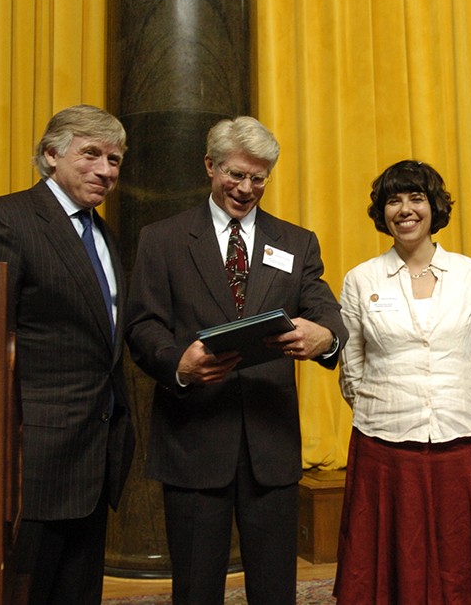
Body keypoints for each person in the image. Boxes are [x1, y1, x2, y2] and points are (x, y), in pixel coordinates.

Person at [125, 115, 348, 605]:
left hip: (270, 445)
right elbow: (142, 326)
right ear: (210, 166)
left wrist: (326, 336)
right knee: (196, 589)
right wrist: (178, 365)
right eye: (236, 174)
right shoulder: (161, 239)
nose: (246, 188)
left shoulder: (296, 241)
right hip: (193, 439)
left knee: (274, 591)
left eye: (259, 177)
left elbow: (325, 310)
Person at [0, 104, 136, 604]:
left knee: (77, 593)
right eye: (91, 154)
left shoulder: (103, 235)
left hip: (96, 452)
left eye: (115, 160)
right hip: (28, 460)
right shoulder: (3, 218)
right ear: (51, 155)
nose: (105, 170)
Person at [335, 160, 471, 604]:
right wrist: (383, 404)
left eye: (416, 198)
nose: (405, 209)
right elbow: (351, 366)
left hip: (457, 439)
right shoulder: (361, 279)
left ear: (434, 206)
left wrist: (451, 404)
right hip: (384, 443)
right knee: (386, 572)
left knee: (459, 570)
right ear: (381, 212)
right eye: (393, 200)